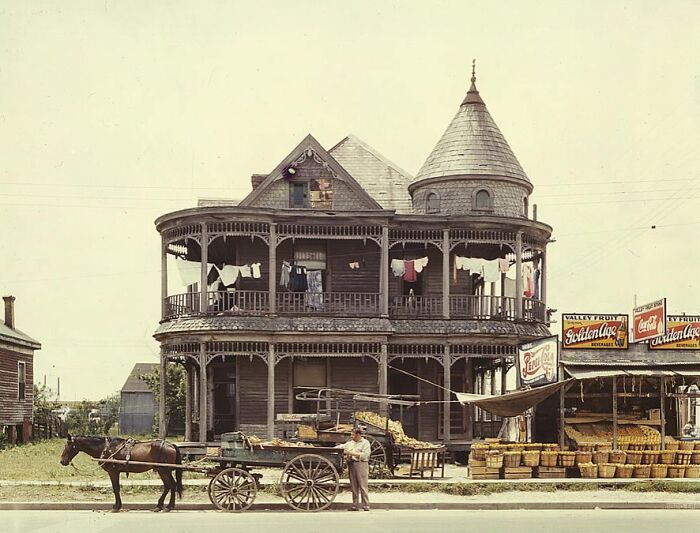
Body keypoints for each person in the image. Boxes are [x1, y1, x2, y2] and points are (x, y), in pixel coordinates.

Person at [337, 427, 371, 511]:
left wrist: (351, 453)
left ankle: (366, 505)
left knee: (363, 485)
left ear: (358, 435)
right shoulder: (350, 443)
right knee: (354, 486)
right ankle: (355, 505)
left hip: (361, 464)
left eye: (353, 434)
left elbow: (365, 455)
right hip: (352, 464)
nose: (351, 436)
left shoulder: (365, 443)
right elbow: (342, 446)